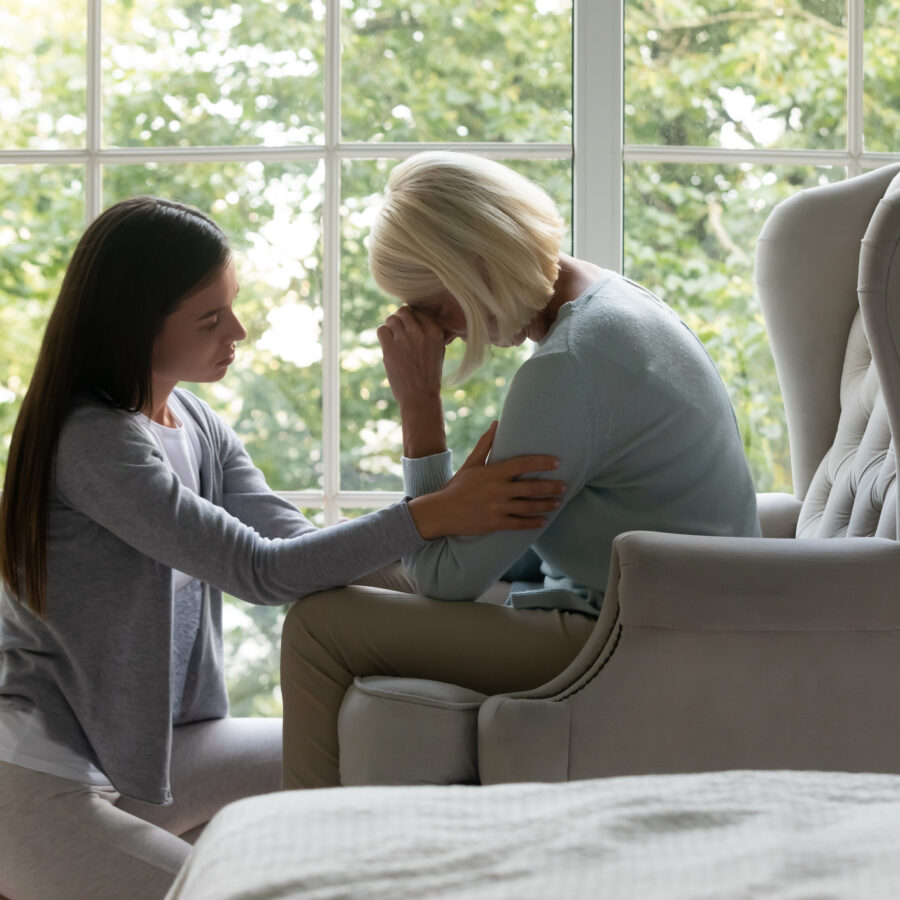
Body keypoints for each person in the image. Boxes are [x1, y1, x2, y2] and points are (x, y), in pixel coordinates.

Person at [0, 195, 567, 900]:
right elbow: (261, 572)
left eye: (230, 305)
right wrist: (431, 514)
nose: (236, 330)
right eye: (209, 319)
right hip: (39, 774)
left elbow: (301, 547)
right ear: (133, 327)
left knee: (359, 755)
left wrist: (494, 591)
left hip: (150, 754)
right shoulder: (92, 442)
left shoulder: (195, 423)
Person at [280, 151, 761, 790]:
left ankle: (307, 861)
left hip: (634, 636)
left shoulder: (569, 366)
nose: (442, 336)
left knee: (319, 626)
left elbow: (442, 581)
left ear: (474, 268)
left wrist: (419, 402)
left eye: (434, 309)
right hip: (658, 610)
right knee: (356, 572)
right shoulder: (612, 302)